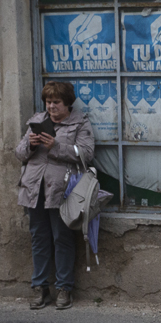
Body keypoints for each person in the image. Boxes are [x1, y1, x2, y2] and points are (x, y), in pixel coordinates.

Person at [16, 80, 95, 310]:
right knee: (39, 238)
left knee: (62, 237)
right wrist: (30, 145)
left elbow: (87, 154)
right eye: (48, 102)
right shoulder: (37, 122)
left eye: (56, 103)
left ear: (67, 103)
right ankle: (40, 287)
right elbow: (18, 153)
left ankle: (64, 288)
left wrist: (56, 146)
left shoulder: (79, 122)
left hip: (62, 190)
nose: (51, 107)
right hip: (35, 189)